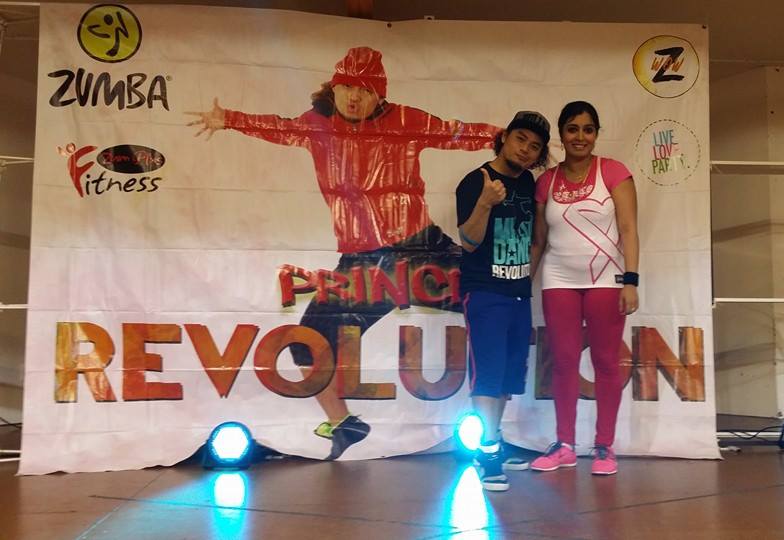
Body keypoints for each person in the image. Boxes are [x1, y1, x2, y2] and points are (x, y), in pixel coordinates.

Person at [187, 46, 500, 460]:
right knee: (307, 343)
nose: (354, 96)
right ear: (334, 88)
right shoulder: (317, 125)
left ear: (379, 95)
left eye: (365, 89)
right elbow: (278, 127)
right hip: (362, 265)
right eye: (347, 87)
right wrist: (229, 118)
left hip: (420, 252)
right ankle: (344, 424)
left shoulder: (404, 120)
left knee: (493, 304)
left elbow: (457, 133)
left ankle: (495, 422)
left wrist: (507, 140)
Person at [529, 101, 639, 476]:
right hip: (558, 279)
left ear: (596, 134)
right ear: (561, 134)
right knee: (563, 362)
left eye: (588, 129)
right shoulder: (546, 181)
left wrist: (631, 280)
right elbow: (539, 241)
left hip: (606, 280)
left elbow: (629, 229)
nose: (580, 136)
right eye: (572, 129)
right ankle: (564, 445)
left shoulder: (614, 172)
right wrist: (523, 285)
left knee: (606, 362)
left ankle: (604, 446)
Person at [455, 111, 550, 491]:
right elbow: (468, 241)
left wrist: (527, 276)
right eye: (520, 139)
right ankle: (488, 451)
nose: (525, 149)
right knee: (488, 375)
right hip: (484, 292)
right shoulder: (475, 180)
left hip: (517, 293)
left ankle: (492, 439)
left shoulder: (528, 183)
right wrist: (485, 203)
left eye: (534, 146)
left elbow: (537, 239)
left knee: (509, 375)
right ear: (505, 137)